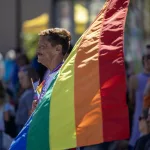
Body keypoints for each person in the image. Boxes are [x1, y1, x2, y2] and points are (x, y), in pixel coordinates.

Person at [31, 28, 71, 112]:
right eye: (38, 47)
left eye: (42, 46)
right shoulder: (50, 77)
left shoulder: (64, 77)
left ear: (58, 49)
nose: (38, 51)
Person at [129, 44, 150, 149]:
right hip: (138, 130)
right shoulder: (134, 79)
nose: (148, 60)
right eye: (146, 57)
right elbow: (131, 103)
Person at [15, 66, 39, 133]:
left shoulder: (30, 94)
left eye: (22, 78)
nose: (20, 82)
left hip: (25, 128)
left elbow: (31, 113)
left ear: (30, 77)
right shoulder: (30, 91)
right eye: (19, 79)